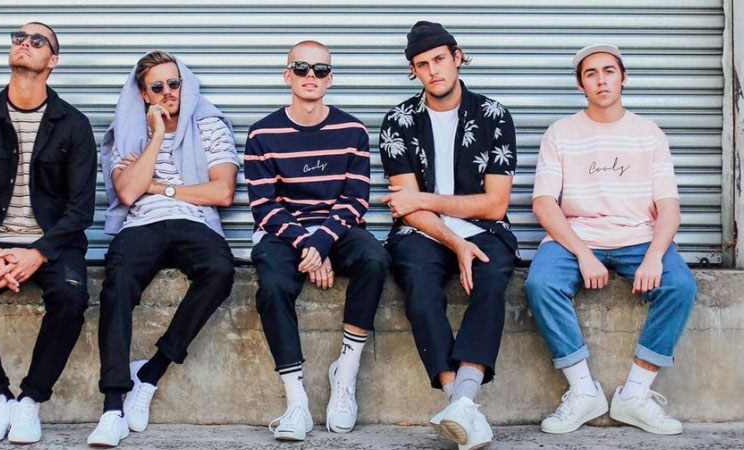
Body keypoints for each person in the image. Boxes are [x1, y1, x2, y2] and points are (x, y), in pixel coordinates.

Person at [524, 43, 696, 436]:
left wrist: (654, 256)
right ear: (580, 85)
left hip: (638, 237)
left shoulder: (649, 134)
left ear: (623, 78)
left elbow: (669, 207)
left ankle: (635, 394)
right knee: (541, 283)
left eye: (608, 71)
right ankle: (583, 391)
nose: (601, 80)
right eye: (591, 74)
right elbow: (544, 204)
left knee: (680, 286)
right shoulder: (561, 133)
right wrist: (583, 254)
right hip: (576, 235)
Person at [0, 22, 96, 444]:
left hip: (52, 244)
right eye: (18, 38)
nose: (24, 44)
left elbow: (81, 207)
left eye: (37, 40)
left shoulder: (73, 124)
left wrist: (38, 252)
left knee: (70, 299)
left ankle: (30, 400)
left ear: (53, 60)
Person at [87, 50, 238, 447]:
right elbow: (128, 192)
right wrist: (155, 136)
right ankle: (113, 407)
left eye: (175, 83)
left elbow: (222, 192)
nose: (168, 92)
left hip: (195, 221)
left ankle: (151, 372)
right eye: (158, 87)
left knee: (220, 271)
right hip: (142, 223)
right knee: (117, 284)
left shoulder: (209, 124)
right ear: (143, 94)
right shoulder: (128, 131)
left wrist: (159, 186)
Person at [378, 21, 518, 450]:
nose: (433, 70)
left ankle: (462, 404)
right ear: (413, 71)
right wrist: (456, 242)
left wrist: (425, 198)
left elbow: (495, 205)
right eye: (422, 64)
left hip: (486, 229)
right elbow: (406, 208)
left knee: (490, 281)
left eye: (440, 59)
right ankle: (462, 402)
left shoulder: (494, 116)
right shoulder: (398, 121)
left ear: (457, 57)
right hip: (421, 231)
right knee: (419, 288)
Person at [245, 40, 390, 441]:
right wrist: (306, 242)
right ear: (287, 75)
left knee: (375, 259)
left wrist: (322, 242)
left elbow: (356, 200)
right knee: (272, 286)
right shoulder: (262, 133)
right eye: (302, 68)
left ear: (330, 79)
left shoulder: (353, 130)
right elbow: (264, 206)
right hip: (284, 232)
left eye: (320, 70)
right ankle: (297, 403)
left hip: (336, 229)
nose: (311, 76)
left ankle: (345, 375)